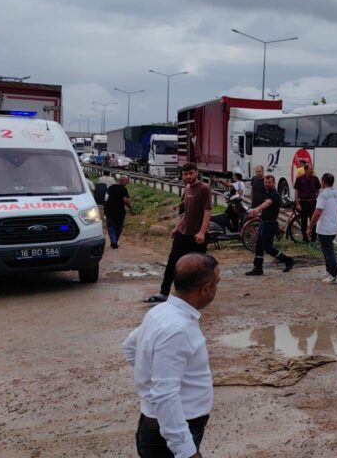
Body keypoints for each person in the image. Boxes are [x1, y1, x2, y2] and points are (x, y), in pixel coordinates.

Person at [123, 253, 220, 458]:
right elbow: (165, 394)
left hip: (159, 427)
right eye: (216, 283)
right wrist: (186, 451)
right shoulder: (177, 329)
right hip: (168, 438)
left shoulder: (161, 312)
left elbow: (130, 346)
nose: (216, 289)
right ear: (205, 289)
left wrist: (150, 381)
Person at [146, 163, 211, 304]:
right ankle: (164, 292)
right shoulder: (187, 189)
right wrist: (177, 227)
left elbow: (207, 211)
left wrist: (202, 232)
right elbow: (185, 212)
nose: (188, 176)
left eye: (190, 173)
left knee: (197, 267)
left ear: (196, 173)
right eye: (185, 174)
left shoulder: (204, 189)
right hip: (183, 233)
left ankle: (196, 295)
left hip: (196, 236)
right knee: (173, 263)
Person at [245, 175, 296, 276]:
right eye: (265, 182)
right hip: (264, 223)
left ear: (274, 183)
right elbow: (267, 207)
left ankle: (288, 260)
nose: (266, 184)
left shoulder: (274, 194)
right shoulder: (267, 193)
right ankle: (258, 268)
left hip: (270, 224)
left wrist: (257, 209)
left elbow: (267, 203)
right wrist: (259, 212)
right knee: (259, 247)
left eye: (269, 182)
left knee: (268, 248)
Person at [308, 173, 337, 284]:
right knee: (326, 250)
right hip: (334, 227)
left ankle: (333, 274)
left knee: (328, 251)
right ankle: (329, 271)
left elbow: (318, 212)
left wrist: (310, 227)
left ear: (323, 181)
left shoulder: (323, 195)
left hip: (325, 228)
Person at [293, 164, 320, 243]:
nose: (312, 171)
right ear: (305, 170)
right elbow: (296, 192)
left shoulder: (315, 179)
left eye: (312, 169)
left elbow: (318, 191)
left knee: (314, 221)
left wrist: (318, 202)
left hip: (313, 202)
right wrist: (297, 204)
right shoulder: (299, 179)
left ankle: (313, 239)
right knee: (304, 222)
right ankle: (305, 239)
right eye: (310, 169)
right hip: (303, 203)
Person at [105, 175, 133, 249]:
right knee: (118, 227)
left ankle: (113, 241)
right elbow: (125, 200)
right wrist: (130, 208)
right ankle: (115, 241)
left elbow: (105, 198)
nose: (126, 184)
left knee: (111, 226)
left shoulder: (110, 188)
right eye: (126, 182)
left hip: (109, 210)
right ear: (122, 181)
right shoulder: (123, 189)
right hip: (119, 211)